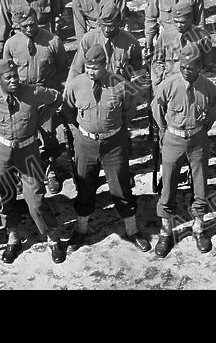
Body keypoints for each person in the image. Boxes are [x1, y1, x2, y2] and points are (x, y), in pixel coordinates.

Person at [62, 44, 150, 251]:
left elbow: (130, 112)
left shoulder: (120, 84)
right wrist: (85, 131)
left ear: (105, 65)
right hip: (85, 144)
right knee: (85, 187)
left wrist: (113, 131)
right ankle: (81, 229)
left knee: (121, 187)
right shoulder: (76, 84)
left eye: (95, 67)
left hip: (114, 144)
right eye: (88, 67)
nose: (91, 71)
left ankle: (132, 230)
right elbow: (68, 110)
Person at [0, 58, 66, 263]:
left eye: (15, 76)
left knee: (35, 197)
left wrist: (38, 120)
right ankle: (13, 237)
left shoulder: (33, 92)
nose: (13, 80)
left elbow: (57, 98)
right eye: (8, 77)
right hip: (2, 150)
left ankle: (53, 238)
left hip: (28, 150)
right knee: (6, 196)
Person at [151, 43, 216, 257]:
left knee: (200, 184)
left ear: (199, 66)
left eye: (191, 67)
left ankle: (198, 226)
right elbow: (156, 109)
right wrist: (166, 132)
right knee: (168, 184)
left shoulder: (208, 87)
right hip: (173, 138)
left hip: (198, 139)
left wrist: (199, 131)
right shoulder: (168, 85)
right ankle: (166, 230)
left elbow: (212, 113)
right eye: (183, 67)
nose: (186, 71)